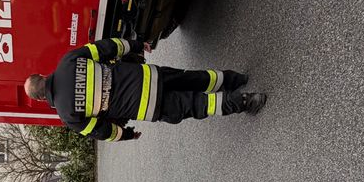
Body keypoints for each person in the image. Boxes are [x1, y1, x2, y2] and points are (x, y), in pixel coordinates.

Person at [24, 36, 267, 143]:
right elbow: (106, 47)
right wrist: (137, 44)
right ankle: (235, 78)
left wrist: (128, 135)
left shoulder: (67, 115)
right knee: (193, 79)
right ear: (43, 76)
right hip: (150, 76)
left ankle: (246, 101)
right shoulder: (68, 62)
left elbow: (103, 131)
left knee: (198, 104)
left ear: (40, 98)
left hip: (148, 106)